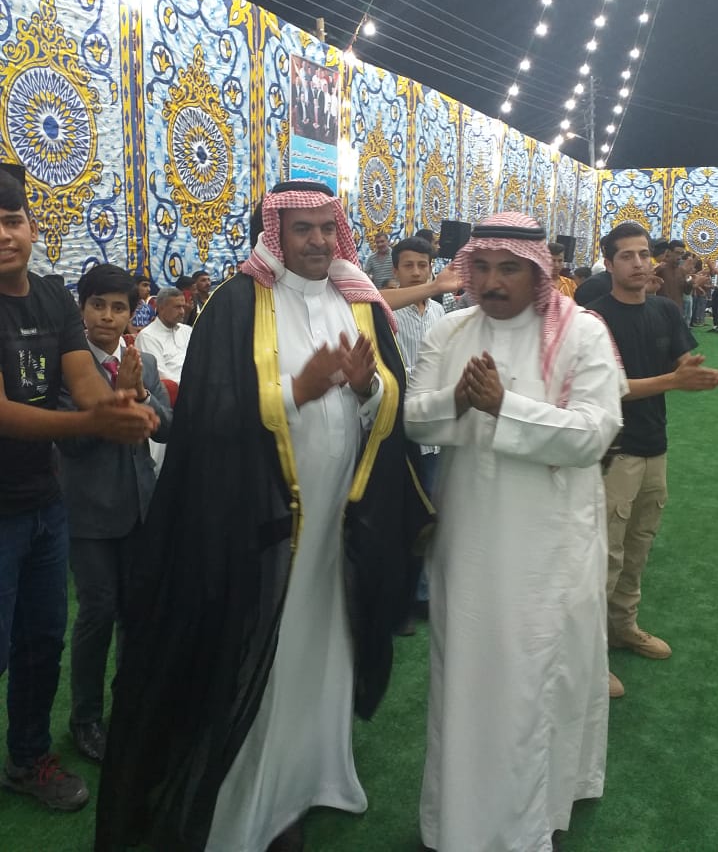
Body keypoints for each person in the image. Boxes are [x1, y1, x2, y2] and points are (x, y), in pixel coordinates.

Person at [96, 180, 432, 852]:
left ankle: (315, 773)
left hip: (339, 523)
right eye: (302, 229)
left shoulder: (356, 300)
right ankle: (259, 795)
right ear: (274, 233)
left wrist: (367, 387)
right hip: (260, 524)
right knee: (264, 654)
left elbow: (388, 397)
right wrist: (295, 391)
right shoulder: (236, 305)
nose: (318, 241)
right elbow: (206, 417)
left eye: (326, 228)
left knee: (325, 646)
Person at [404, 211, 623, 852]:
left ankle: (535, 815)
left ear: (537, 272)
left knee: (540, 673)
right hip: (470, 537)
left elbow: (595, 433)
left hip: (551, 542)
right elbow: (414, 419)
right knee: (468, 675)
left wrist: (506, 406)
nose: (493, 282)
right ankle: (460, 818)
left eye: (509, 269)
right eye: (482, 268)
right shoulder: (450, 330)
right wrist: (459, 401)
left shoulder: (581, 332)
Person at [0, 172, 157, 812]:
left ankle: (29, 759)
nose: (3, 235)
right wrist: (97, 423)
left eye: (11, 220)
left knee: (42, 641)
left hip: (45, 502)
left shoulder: (50, 297)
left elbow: (83, 384)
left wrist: (117, 402)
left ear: (32, 226)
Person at [588, 223, 718, 699]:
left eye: (644, 254)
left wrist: (690, 370)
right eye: (626, 256)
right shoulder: (595, 319)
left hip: (654, 446)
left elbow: (682, 360)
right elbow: (608, 389)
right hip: (613, 451)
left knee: (639, 546)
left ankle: (623, 626)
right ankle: (590, 656)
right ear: (608, 264)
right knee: (604, 555)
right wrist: (673, 381)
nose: (639, 263)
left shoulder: (665, 309)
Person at [57, 265, 172, 764]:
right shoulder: (68, 364)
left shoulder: (142, 363)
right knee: (98, 612)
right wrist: (118, 400)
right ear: (82, 309)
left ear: (132, 314)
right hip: (89, 513)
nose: (107, 316)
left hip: (141, 506)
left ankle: (130, 704)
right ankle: (85, 718)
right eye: (98, 305)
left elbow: (169, 427)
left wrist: (140, 394)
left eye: (118, 307)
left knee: (136, 612)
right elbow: (72, 442)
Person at [391, 237, 447, 633]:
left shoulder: (441, 312)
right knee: (406, 517)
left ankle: (425, 593)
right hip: (401, 426)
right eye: (408, 265)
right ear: (395, 270)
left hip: (437, 429)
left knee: (434, 514)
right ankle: (402, 600)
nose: (416, 272)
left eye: (422, 265)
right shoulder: (387, 310)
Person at [134, 287, 192, 384]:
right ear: (161, 308)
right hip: (178, 388)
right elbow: (160, 376)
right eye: (177, 307)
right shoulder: (148, 336)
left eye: (183, 306)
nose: (182, 311)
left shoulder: (187, 330)